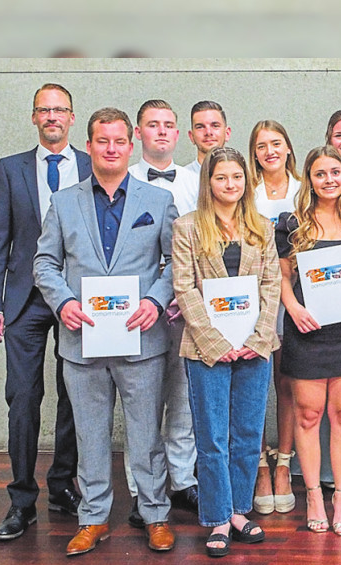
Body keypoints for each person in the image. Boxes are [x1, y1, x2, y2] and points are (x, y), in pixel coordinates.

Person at [33, 107, 180, 556]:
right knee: (90, 435)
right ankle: (93, 518)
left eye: (119, 141)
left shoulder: (156, 201)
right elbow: (44, 263)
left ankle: (155, 514)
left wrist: (156, 300)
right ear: (90, 145)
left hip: (142, 340)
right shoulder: (64, 202)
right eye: (103, 141)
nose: (111, 149)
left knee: (146, 435)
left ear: (130, 146)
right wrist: (64, 302)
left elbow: (177, 263)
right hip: (83, 341)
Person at [0, 83, 87, 540]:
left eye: (59, 109)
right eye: (44, 110)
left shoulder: (90, 165)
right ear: (33, 117)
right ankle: (21, 500)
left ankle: (62, 485)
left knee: (75, 395)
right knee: (23, 398)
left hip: (77, 299)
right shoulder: (11, 169)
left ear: (71, 117)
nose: (52, 116)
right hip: (23, 300)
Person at [172, 147, 280, 556]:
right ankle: (217, 517)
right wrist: (217, 343)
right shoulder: (187, 228)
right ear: (209, 183)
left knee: (248, 433)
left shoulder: (262, 228)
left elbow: (271, 286)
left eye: (237, 177)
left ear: (246, 182)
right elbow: (184, 288)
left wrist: (254, 339)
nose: (230, 184)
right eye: (221, 178)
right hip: (205, 350)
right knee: (213, 436)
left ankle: (239, 509)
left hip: (255, 347)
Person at [275, 145, 341, 536]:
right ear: (310, 179)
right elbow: (282, 277)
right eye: (321, 174)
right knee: (307, 414)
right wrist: (293, 308)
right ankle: (314, 494)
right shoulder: (292, 224)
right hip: (306, 329)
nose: (330, 180)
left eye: (335, 172)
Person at [125, 100, 200, 524]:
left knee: (184, 398)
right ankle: (141, 489)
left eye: (169, 125)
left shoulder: (195, 180)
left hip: (188, 304)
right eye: (152, 125)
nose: (161, 132)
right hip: (141, 308)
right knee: (143, 403)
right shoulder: (125, 179)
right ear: (139, 133)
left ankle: (183, 480)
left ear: (177, 134)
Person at [247, 120, 303, 515]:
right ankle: (258, 468)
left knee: (287, 384)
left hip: (297, 297)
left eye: (276, 143)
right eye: (262, 145)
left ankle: (283, 464)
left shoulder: (306, 190)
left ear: (288, 148)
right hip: (251, 299)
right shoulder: (244, 192)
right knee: (253, 388)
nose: (270, 151)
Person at [184, 101, 230, 177]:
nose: (208, 132)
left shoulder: (242, 177)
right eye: (200, 127)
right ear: (191, 136)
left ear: (227, 133)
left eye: (215, 126)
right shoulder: (182, 179)